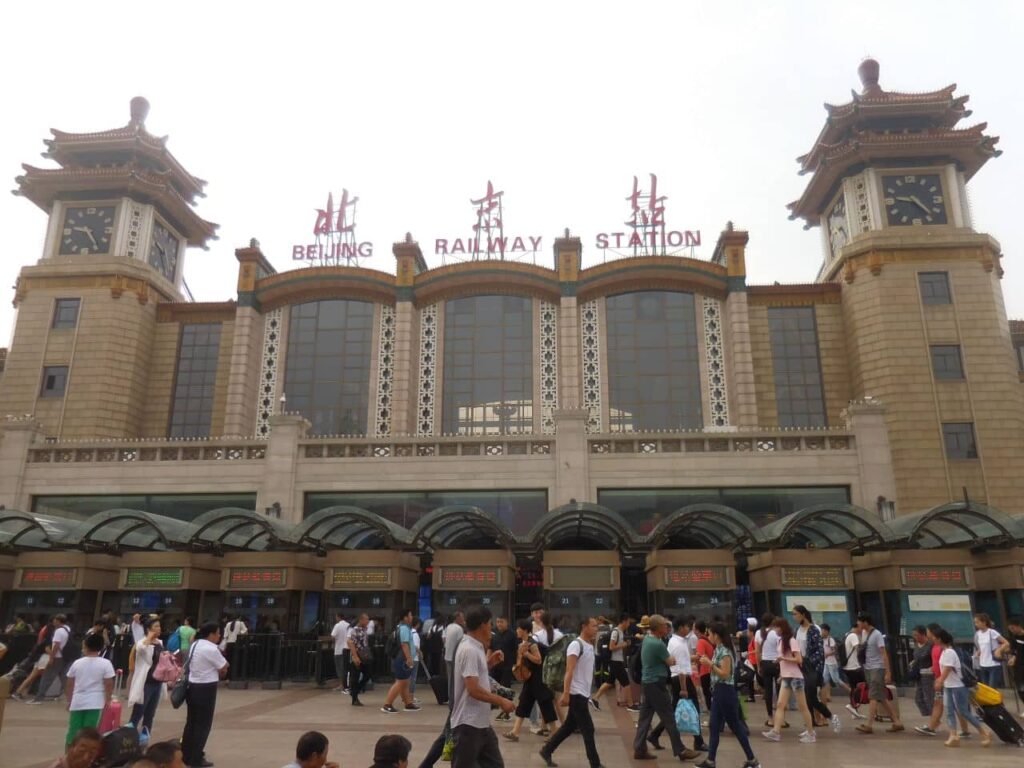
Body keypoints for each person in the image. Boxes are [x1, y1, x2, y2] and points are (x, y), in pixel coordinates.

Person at [450, 605, 514, 768]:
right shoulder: (469, 649)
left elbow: (473, 675)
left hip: (481, 723)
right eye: (490, 624)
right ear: (482, 625)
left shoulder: (475, 647)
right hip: (467, 725)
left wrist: (489, 663)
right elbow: (473, 689)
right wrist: (501, 701)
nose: (492, 627)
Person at [631, 614, 698, 762]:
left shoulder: (648, 639)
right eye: (664, 625)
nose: (667, 628)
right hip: (656, 684)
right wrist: (671, 660)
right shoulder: (657, 644)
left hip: (648, 683)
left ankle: (640, 748)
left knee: (645, 718)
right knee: (668, 716)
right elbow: (670, 661)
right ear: (657, 628)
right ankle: (680, 750)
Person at [540, 617, 604, 768]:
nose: (596, 629)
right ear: (584, 627)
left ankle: (546, 750)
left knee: (569, 726)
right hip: (576, 693)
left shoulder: (589, 644)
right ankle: (595, 764)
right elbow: (569, 671)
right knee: (588, 729)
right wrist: (566, 693)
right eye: (594, 626)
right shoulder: (576, 645)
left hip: (583, 693)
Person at [695, 622, 761, 768]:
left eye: (710, 634)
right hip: (719, 691)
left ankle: (752, 759)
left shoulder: (725, 651)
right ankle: (711, 760)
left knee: (735, 725)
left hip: (725, 691)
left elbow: (725, 674)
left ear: (716, 635)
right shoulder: (718, 648)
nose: (708, 636)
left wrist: (709, 664)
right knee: (714, 726)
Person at [650, 615, 707, 754]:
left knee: (673, 711)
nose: (689, 629)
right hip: (682, 680)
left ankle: (654, 734)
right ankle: (698, 741)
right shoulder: (680, 644)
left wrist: (695, 658)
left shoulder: (673, 641)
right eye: (687, 626)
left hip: (677, 679)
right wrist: (684, 688)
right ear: (681, 628)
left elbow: (682, 660)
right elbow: (681, 668)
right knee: (694, 709)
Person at [762, 617, 817, 743]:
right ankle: (776, 731)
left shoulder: (791, 641)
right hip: (786, 677)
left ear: (782, 628)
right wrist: (781, 673)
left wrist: (783, 659)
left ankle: (810, 733)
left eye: (777, 627)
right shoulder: (781, 641)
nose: (775, 629)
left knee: (803, 707)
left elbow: (799, 660)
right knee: (780, 705)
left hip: (795, 678)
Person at [181, 622, 228, 768]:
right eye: (218, 633)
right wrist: (222, 672)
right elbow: (224, 666)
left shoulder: (195, 645)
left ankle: (186, 755)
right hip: (206, 688)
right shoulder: (211, 648)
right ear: (211, 634)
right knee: (203, 725)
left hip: (192, 686)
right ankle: (196, 758)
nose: (219, 636)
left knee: (191, 723)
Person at [935, 628, 992, 748]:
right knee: (950, 711)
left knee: (963, 711)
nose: (933, 640)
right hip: (949, 686)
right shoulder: (944, 651)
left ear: (939, 639)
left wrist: (940, 680)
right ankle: (953, 735)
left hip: (958, 686)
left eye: (935, 637)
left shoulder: (950, 652)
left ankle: (984, 732)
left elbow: (948, 669)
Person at [503, 619, 557, 741]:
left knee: (546, 705)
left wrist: (526, 653)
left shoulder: (531, 644)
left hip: (538, 680)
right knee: (523, 704)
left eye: (519, 629)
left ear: (525, 630)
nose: (517, 630)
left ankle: (554, 733)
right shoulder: (524, 642)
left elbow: (538, 660)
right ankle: (515, 732)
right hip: (530, 680)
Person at [853, 612, 904, 735]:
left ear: (865, 622)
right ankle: (897, 722)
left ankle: (869, 725)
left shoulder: (877, 635)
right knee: (881, 697)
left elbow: (883, 653)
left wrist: (888, 672)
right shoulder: (864, 633)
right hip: (868, 668)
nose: (858, 624)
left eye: (860, 621)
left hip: (877, 668)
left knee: (873, 696)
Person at [915, 623, 969, 737]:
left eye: (928, 631)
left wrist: (940, 679)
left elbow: (948, 665)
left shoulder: (945, 648)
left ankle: (965, 729)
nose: (928, 634)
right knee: (939, 703)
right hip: (940, 678)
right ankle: (933, 726)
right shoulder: (934, 646)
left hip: (947, 681)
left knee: (953, 706)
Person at [791, 605, 840, 732]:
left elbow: (819, 652)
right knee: (808, 698)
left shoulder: (813, 629)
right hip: (801, 667)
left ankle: (828, 718)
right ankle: (811, 725)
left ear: (803, 614)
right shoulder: (798, 630)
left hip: (811, 668)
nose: (794, 617)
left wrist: (808, 662)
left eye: (795, 614)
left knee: (810, 698)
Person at [64, 631, 115, 748]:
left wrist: (69, 699)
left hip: (77, 701)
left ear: (85, 646)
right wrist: (108, 699)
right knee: (90, 731)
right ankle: (86, 754)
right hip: (95, 702)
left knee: (74, 729)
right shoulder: (106, 663)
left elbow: (69, 683)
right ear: (101, 648)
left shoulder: (77, 663)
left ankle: (70, 753)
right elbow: (109, 683)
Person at [591, 613, 637, 710]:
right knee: (626, 683)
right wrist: (624, 645)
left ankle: (595, 698)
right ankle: (630, 704)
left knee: (609, 682)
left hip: (616, 661)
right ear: (624, 621)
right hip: (615, 661)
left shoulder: (621, 632)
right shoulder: (616, 632)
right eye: (628, 622)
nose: (629, 624)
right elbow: (611, 647)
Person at [129, 617, 165, 734]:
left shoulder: (160, 642)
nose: (159, 629)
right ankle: (128, 738)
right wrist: (149, 636)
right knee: (138, 712)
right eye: (156, 626)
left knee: (150, 714)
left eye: (159, 626)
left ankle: (144, 737)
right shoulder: (142, 642)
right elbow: (141, 648)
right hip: (145, 683)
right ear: (148, 629)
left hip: (157, 682)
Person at [381, 608, 419, 714]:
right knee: (400, 682)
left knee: (405, 682)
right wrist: (409, 658)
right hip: (402, 659)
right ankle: (387, 704)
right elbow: (404, 644)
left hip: (402, 659)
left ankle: (408, 703)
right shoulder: (404, 629)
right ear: (405, 617)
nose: (412, 617)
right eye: (410, 615)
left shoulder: (403, 627)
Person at [33, 613, 71, 703]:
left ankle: (39, 698)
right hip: (63, 657)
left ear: (58, 621)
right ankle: (71, 698)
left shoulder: (58, 631)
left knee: (47, 677)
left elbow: (56, 645)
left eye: (55, 620)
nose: (53, 621)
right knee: (64, 678)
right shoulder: (67, 629)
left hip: (57, 656)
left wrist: (51, 657)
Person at [753, 613, 780, 725]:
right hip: (776, 663)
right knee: (779, 692)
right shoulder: (777, 633)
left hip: (765, 663)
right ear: (773, 621)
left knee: (768, 692)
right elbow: (780, 649)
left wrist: (759, 666)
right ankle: (780, 718)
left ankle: (770, 718)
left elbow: (757, 652)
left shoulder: (758, 633)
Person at [973, 613, 1009, 689]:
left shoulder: (992, 632)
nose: (976, 624)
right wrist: (978, 653)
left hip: (993, 664)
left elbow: (1006, 643)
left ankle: (997, 700)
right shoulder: (978, 634)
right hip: (983, 664)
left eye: (977, 622)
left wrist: (999, 650)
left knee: (992, 688)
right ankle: (996, 701)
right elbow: (981, 647)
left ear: (984, 622)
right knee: (986, 689)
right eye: (975, 622)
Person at [909, 625, 935, 717]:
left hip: (928, 674)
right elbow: (916, 657)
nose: (915, 637)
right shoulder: (916, 645)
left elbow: (935, 659)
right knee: (918, 698)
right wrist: (913, 662)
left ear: (923, 634)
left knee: (929, 698)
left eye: (916, 635)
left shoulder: (931, 645)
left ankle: (933, 719)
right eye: (914, 635)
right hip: (918, 674)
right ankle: (928, 716)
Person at [347, 612, 372, 706]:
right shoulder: (354, 630)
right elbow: (350, 642)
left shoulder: (364, 630)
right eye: (366, 619)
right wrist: (355, 657)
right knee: (355, 677)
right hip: (357, 656)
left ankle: (355, 691)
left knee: (368, 674)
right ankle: (354, 698)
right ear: (361, 620)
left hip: (365, 656)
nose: (368, 621)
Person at [842, 624, 865, 719]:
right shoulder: (853, 635)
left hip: (848, 667)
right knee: (862, 685)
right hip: (854, 666)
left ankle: (854, 710)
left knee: (854, 687)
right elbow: (858, 648)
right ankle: (853, 705)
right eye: (861, 628)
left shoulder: (847, 635)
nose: (862, 630)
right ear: (857, 627)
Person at [819, 624, 845, 704]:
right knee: (824, 679)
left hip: (832, 663)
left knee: (836, 680)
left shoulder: (831, 640)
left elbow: (835, 651)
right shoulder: (822, 639)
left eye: (822, 630)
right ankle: (827, 696)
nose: (821, 632)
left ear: (826, 631)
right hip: (826, 663)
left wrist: (827, 654)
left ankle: (851, 692)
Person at [491, 617, 516, 690]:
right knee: (495, 688)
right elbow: (490, 648)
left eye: (501, 622)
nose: (499, 624)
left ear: (506, 623)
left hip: (507, 666)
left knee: (505, 688)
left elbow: (516, 649)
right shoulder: (494, 634)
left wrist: (516, 663)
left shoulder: (512, 634)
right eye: (498, 622)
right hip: (495, 666)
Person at [695, 621, 715, 710]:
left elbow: (700, 656)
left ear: (697, 630)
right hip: (710, 670)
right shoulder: (707, 640)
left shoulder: (701, 641)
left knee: (707, 693)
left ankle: (712, 712)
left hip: (704, 670)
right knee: (709, 693)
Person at [1007, 616, 1024, 716]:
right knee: (1020, 690)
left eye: (1013, 628)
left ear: (1018, 626)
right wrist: (1012, 658)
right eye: (1010, 629)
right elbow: (1013, 651)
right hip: (1018, 668)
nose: (1012, 630)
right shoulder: (1013, 638)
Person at [330, 613, 351, 693]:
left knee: (340, 668)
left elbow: (333, 636)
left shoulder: (337, 625)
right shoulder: (349, 625)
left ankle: (342, 685)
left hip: (339, 650)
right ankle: (346, 685)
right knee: (346, 668)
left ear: (338, 617)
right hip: (347, 649)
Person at [443, 612, 465, 681]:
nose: (464, 619)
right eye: (462, 618)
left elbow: (444, 639)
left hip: (447, 657)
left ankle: (449, 692)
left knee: (450, 679)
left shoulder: (449, 626)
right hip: (455, 658)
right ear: (458, 618)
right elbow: (461, 644)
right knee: (456, 680)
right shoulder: (459, 629)